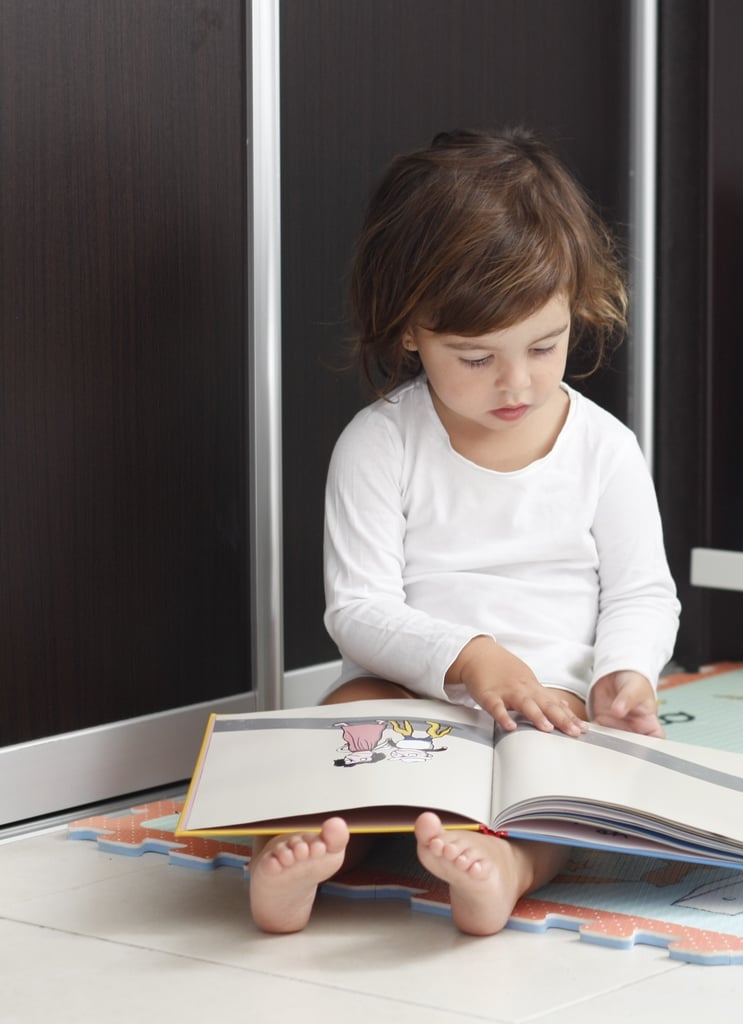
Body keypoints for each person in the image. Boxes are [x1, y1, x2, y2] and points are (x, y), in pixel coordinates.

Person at [248, 127, 681, 937]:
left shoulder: (605, 448)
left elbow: (642, 590)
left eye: (544, 346)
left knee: (563, 787)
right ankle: (299, 853)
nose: (517, 381)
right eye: (476, 358)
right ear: (410, 329)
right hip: (410, 692)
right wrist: (467, 658)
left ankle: (508, 870)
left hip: (550, 704)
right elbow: (358, 610)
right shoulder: (380, 443)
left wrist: (627, 671)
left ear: (574, 309)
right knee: (341, 725)